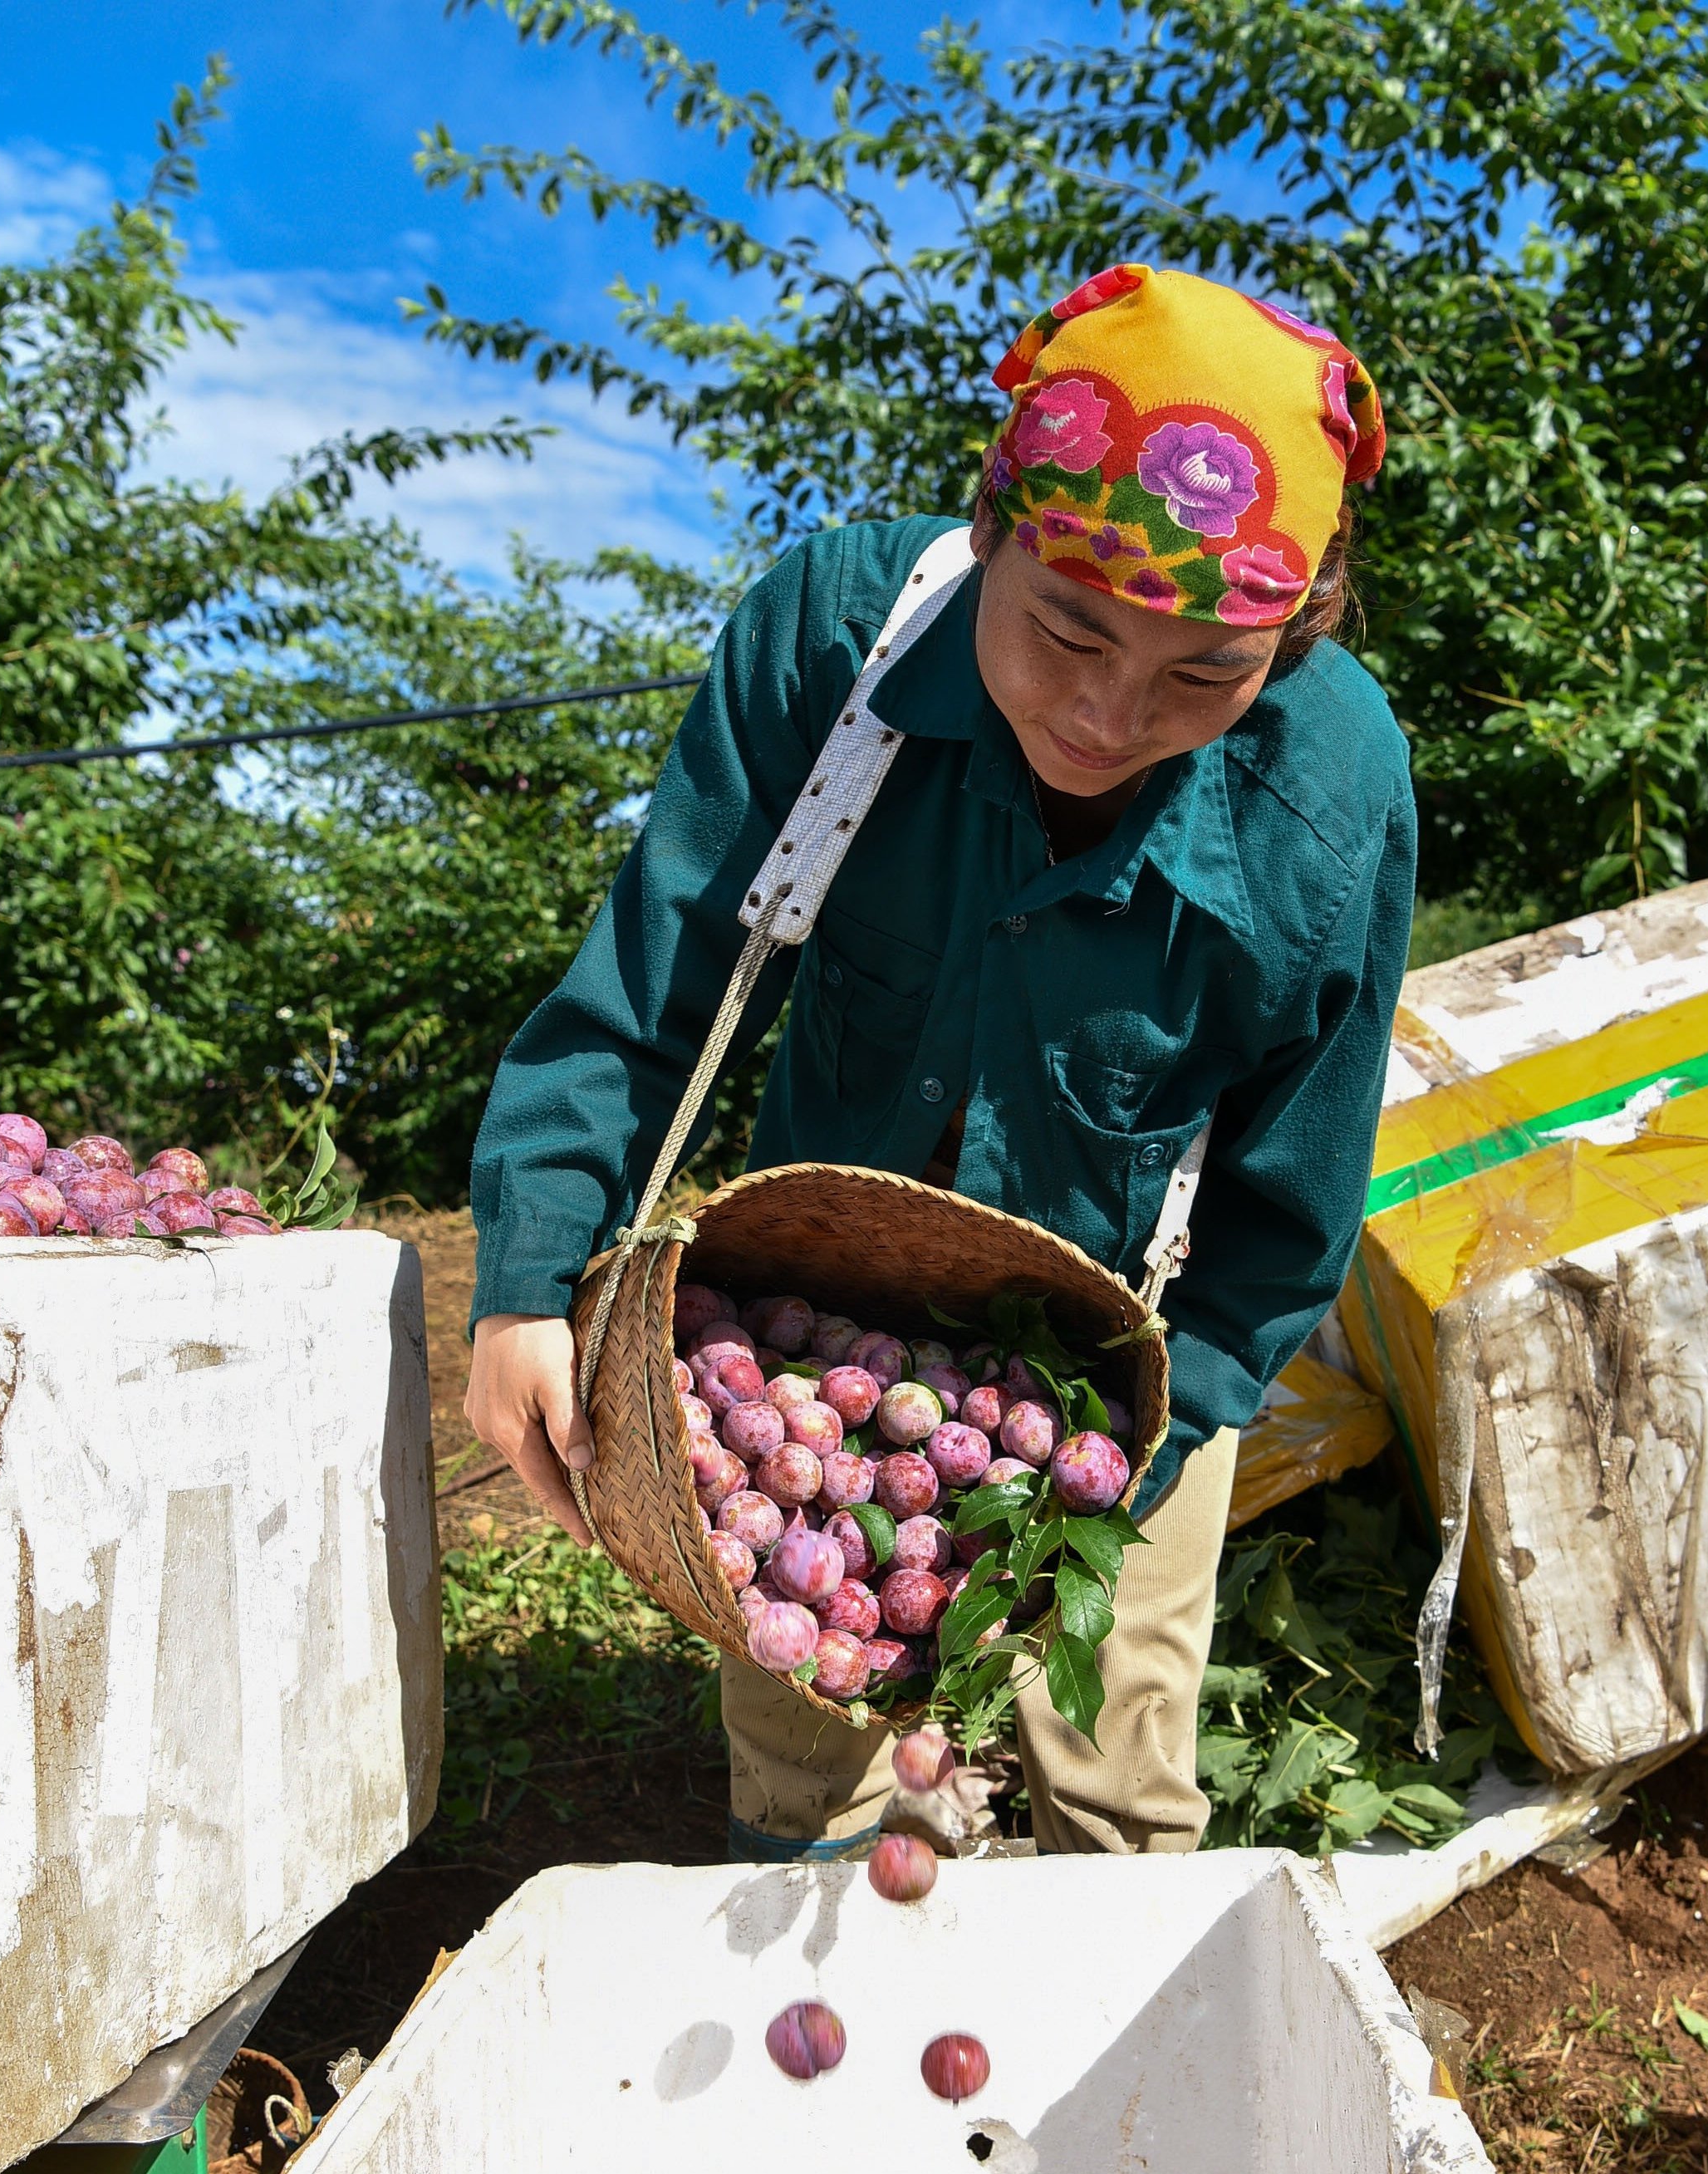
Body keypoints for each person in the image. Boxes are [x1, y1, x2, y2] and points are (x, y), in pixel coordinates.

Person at [462, 263, 1414, 1860]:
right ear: (992, 532)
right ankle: (812, 1945)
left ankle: (1114, 2029)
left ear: (1295, 641)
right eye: (1063, 631)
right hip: (810, 1327)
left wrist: (1139, 1455)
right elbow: (652, 988)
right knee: (798, 1722)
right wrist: (523, 1277)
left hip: (1124, 1357)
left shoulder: (1331, 790)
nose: (1109, 714)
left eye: (1202, 675)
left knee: (1119, 1754)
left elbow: (1289, 1188)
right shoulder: (835, 647)